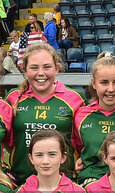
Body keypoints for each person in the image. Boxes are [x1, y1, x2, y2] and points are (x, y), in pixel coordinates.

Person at [7, 43, 85, 183]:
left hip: (65, 182)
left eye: (47, 67)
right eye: (34, 68)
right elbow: (5, 139)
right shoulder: (13, 98)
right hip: (21, 182)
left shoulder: (75, 98)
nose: (41, 73)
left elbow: (85, 141)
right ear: (24, 70)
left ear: (57, 69)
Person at [72, 53, 115, 184]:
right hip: (90, 179)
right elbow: (79, 148)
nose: (110, 89)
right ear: (94, 83)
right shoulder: (81, 115)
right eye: (104, 82)